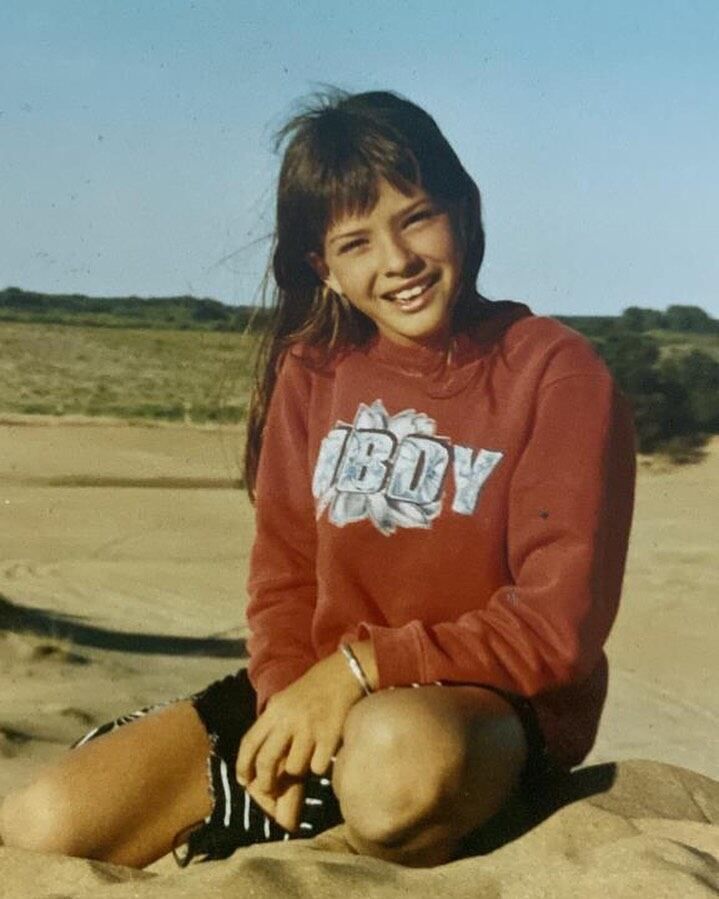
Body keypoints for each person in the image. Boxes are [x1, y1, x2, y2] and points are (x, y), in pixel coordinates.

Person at [0, 89, 635, 870]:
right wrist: (282, 704)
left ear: (465, 212)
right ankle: (281, 804)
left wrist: (362, 670)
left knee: (393, 762)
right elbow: (283, 581)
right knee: (44, 825)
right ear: (323, 268)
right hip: (317, 694)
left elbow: (556, 625)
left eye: (416, 218)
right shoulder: (312, 369)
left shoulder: (553, 368)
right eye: (356, 241)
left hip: (478, 713)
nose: (396, 260)